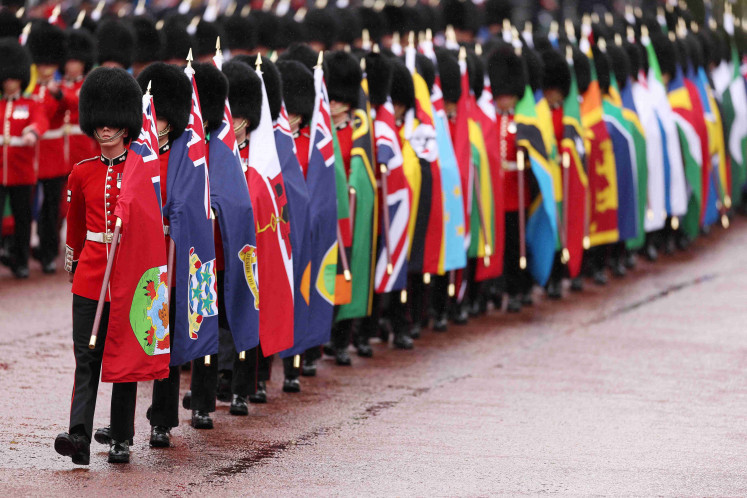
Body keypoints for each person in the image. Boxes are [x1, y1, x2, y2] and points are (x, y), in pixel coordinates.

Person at [55, 66, 142, 465]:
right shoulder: (81, 172)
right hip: (90, 275)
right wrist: (74, 267)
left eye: (113, 122)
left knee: (122, 358)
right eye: (99, 122)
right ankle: (79, 437)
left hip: (129, 276)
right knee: (86, 357)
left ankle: (121, 436)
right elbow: (74, 231)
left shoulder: (143, 171)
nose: (104, 129)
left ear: (126, 125)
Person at [134, 61, 192, 448]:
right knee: (135, 333)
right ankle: (122, 423)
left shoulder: (185, 153)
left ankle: (163, 419)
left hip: (170, 252)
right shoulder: (139, 151)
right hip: (141, 251)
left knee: (164, 337)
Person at [487, 42, 532, 313]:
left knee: (517, 246)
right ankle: (496, 287)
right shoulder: (490, 117)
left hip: (517, 190)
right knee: (497, 245)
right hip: (496, 191)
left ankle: (518, 288)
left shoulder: (524, 119)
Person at [0, 39, 47, 279]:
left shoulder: (30, 104)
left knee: (22, 218)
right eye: (5, 79)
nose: (9, 83)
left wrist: (32, 132)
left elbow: (41, 121)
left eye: (12, 78)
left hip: (21, 170)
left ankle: (21, 261)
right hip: (1, 170)